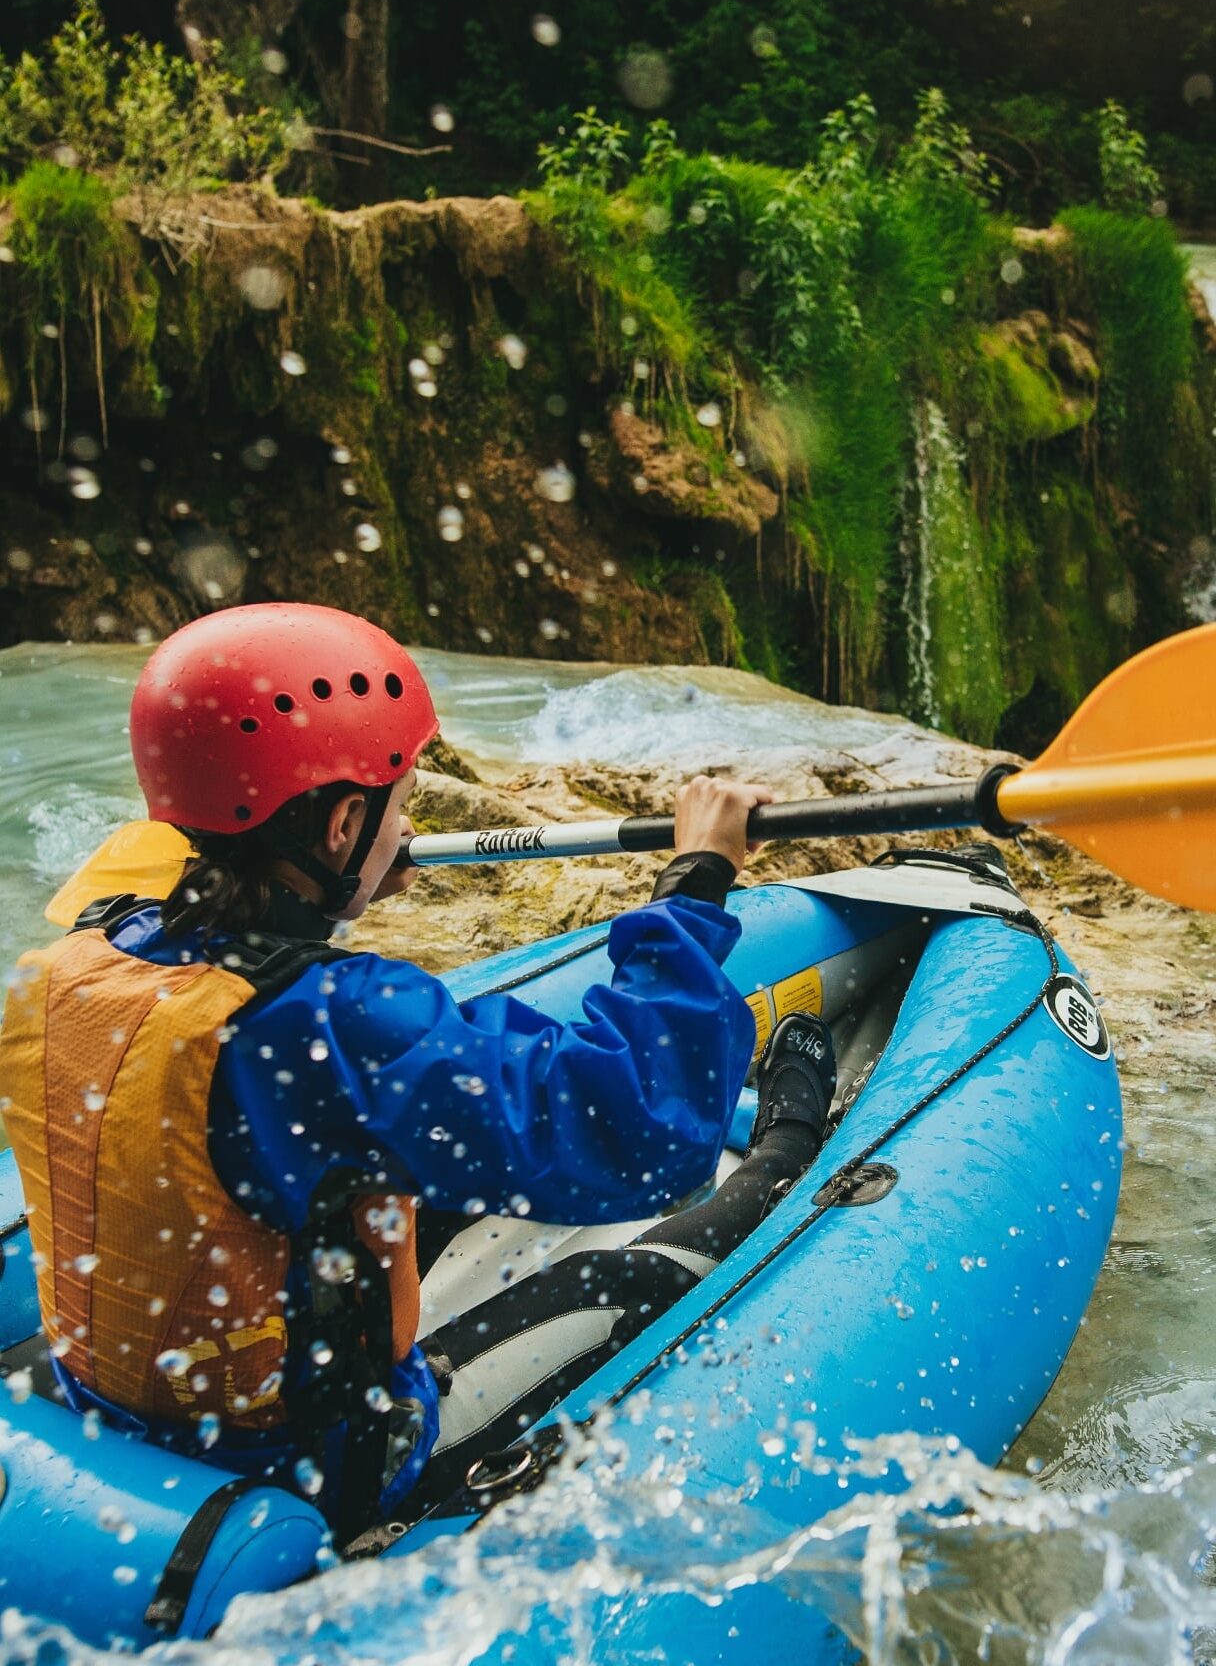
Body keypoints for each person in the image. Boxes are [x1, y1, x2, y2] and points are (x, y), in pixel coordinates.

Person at [0, 604, 835, 1540]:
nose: (407, 826)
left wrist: (344, 878)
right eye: (397, 807)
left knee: (394, 1163)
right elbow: (645, 1133)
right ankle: (796, 1135)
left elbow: (247, 965)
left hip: (116, 1391)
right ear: (343, 822)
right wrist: (696, 882)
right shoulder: (334, 1021)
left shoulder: (77, 958)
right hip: (309, 1463)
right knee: (637, 1273)